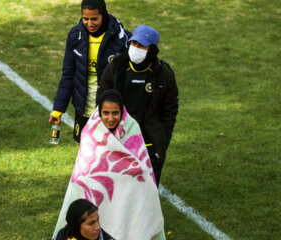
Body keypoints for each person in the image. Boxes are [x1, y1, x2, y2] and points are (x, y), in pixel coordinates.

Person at [53, 89, 166, 240]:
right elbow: (85, 170)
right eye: (106, 113)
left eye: (115, 113)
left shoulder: (132, 128)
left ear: (122, 112)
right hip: (95, 195)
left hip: (126, 193)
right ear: (100, 112)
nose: (111, 118)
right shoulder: (90, 131)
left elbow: (142, 168)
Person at [97, 25, 179, 186]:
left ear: (152, 49)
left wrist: (162, 141)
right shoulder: (116, 66)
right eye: (134, 44)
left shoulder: (164, 74)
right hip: (118, 139)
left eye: (141, 45)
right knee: (117, 191)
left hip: (148, 144)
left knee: (146, 192)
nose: (136, 48)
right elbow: (101, 99)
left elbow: (170, 111)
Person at [49, 0, 131, 142]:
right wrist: (58, 109)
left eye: (94, 19)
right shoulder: (75, 36)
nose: (90, 23)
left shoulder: (122, 38)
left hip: (110, 109)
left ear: (103, 15)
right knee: (85, 149)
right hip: (84, 107)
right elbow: (68, 75)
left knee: (109, 151)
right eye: (85, 19)